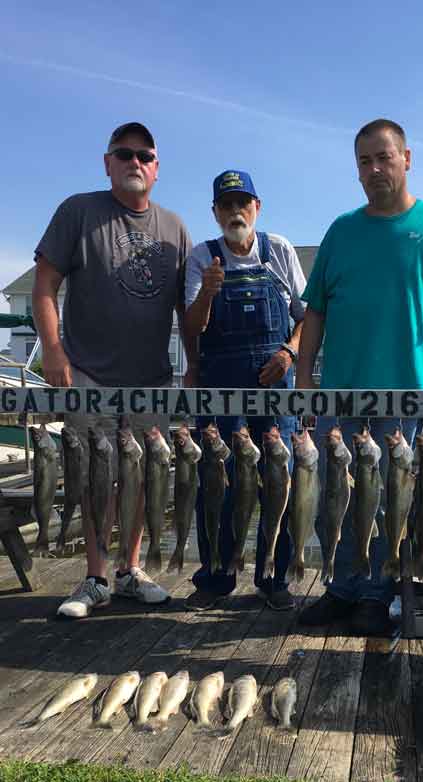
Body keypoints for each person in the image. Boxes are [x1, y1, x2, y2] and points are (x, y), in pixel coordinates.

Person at [295, 118, 423, 636]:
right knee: (336, 494)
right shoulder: (341, 230)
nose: (374, 169)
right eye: (364, 161)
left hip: (405, 397)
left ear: (406, 158)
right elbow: (315, 311)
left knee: (388, 502)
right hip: (337, 392)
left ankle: (377, 594)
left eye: (384, 157)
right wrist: (305, 377)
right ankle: (340, 586)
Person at [33, 122, 192, 618]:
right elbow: (43, 285)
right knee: (93, 478)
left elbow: (187, 312)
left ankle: (130, 569)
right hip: (90, 375)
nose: (134, 162)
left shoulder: (176, 228)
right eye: (124, 154)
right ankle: (95, 576)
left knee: (145, 478)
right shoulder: (78, 211)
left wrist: (194, 371)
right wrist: (54, 350)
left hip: (153, 379)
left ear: (157, 167)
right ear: (107, 163)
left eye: (144, 155)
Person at [183, 169, 306, 612]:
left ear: (257, 207)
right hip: (220, 383)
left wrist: (290, 353)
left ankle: (274, 576)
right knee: (217, 481)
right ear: (215, 212)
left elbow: (305, 316)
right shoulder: (203, 255)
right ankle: (216, 577)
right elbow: (192, 327)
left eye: (243, 202)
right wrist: (208, 296)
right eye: (226, 204)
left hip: (277, 383)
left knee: (281, 481)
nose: (236, 211)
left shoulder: (281, 251)